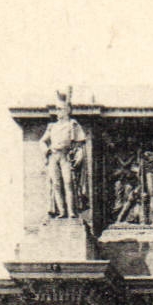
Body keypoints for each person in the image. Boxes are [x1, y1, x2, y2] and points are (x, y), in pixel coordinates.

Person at [41, 88, 88, 219]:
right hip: (54, 156)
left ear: (67, 110)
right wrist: (46, 150)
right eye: (57, 108)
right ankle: (62, 211)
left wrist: (78, 156)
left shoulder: (73, 125)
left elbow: (80, 144)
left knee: (68, 182)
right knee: (56, 184)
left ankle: (71, 211)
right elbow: (42, 141)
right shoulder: (52, 126)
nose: (58, 111)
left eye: (60, 109)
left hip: (65, 156)